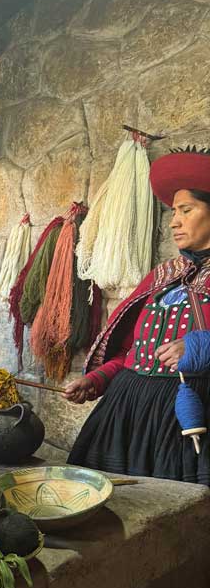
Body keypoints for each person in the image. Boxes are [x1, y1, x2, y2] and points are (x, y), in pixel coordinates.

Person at [64, 148, 210, 484]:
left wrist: (203, 347)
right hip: (126, 415)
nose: (174, 221)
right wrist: (97, 379)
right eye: (174, 212)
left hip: (188, 422)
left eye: (186, 210)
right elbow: (128, 352)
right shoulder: (163, 275)